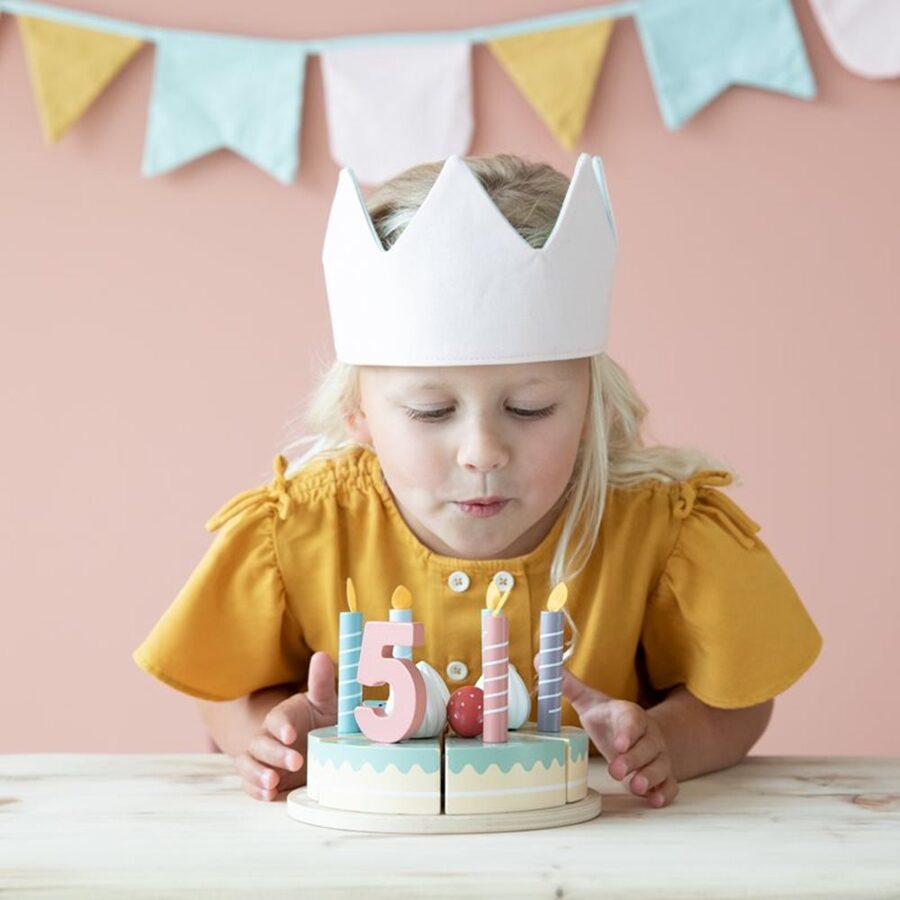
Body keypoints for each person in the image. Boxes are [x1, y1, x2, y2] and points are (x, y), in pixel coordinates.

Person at [133, 152, 822, 809]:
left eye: (531, 409)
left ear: (589, 404)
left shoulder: (662, 530)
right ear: (358, 412)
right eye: (432, 411)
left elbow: (736, 702)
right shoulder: (298, 530)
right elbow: (220, 687)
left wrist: (664, 740)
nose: (483, 451)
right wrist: (267, 737)